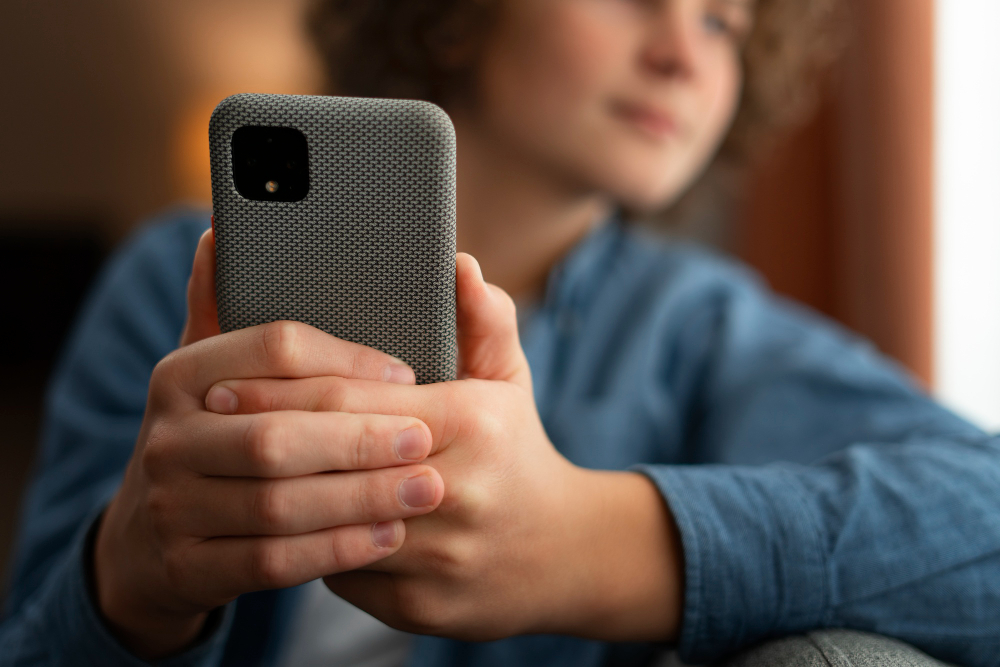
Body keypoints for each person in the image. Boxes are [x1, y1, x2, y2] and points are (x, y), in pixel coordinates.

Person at [3, 0, 999, 665]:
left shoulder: (699, 328)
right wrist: (127, 578)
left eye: (722, 23)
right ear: (457, 13)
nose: (684, 55)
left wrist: (592, 542)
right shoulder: (175, 275)